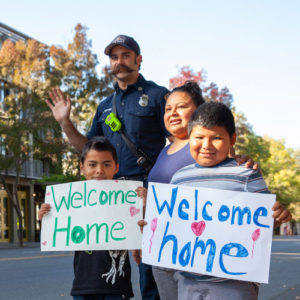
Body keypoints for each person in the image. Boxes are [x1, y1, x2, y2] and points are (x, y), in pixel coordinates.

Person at [46, 35, 167, 300]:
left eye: (126, 55)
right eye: (114, 57)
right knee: (109, 266)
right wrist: (65, 123)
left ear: (138, 59)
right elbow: (87, 149)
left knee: (150, 269)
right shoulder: (103, 106)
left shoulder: (158, 96)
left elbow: (178, 138)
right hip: (109, 196)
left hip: (146, 192)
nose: (119, 62)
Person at [144, 101, 291, 300]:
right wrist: (152, 228)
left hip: (234, 285)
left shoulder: (247, 175)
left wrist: (277, 216)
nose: (206, 145)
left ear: (232, 139)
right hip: (188, 282)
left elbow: (262, 224)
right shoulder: (179, 178)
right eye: (199, 137)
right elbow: (173, 225)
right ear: (189, 138)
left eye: (217, 138)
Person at [39, 137, 146, 300]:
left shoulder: (128, 199)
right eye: (92, 164)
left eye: (107, 164)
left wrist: (144, 205)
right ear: (82, 168)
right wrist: (47, 215)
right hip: (84, 285)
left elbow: (142, 227)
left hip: (117, 286)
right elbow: (61, 229)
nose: (99, 170)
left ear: (116, 167)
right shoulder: (73, 201)